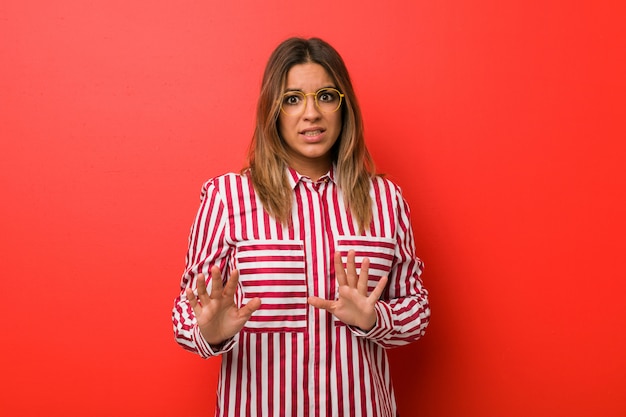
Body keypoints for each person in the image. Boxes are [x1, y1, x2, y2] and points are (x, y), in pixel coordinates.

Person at [172, 37, 430, 417]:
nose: (311, 113)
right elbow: (184, 314)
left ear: (344, 107)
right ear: (272, 111)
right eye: (293, 99)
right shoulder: (227, 197)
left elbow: (417, 309)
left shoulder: (386, 200)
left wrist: (376, 319)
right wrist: (211, 330)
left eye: (325, 96)